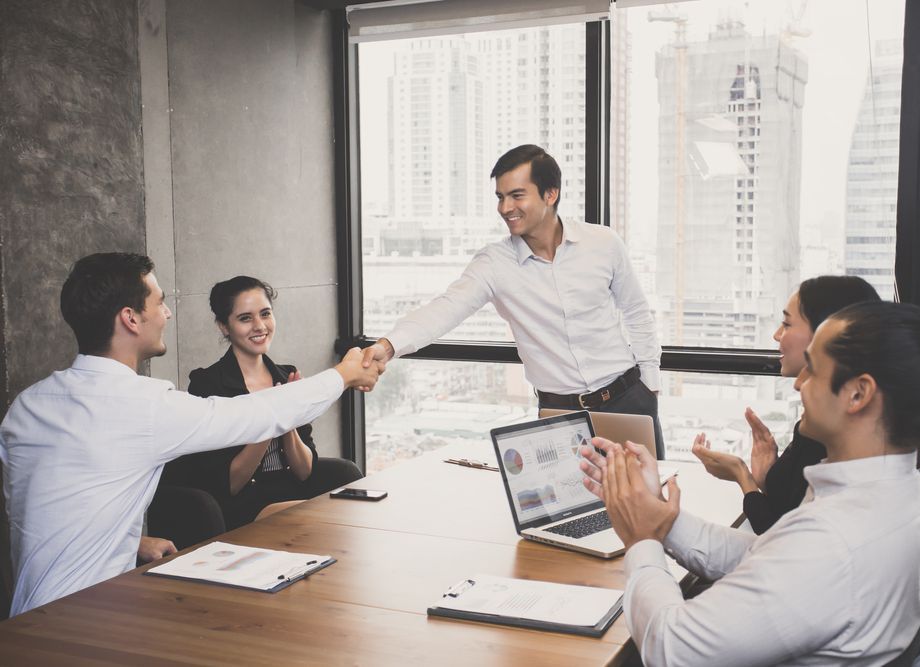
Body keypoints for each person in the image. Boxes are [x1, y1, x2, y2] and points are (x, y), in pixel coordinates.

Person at [580, 301, 920, 665]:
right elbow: (764, 556)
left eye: (813, 370)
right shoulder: (900, 495)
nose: (799, 383)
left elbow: (670, 648)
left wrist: (640, 539)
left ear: (858, 394)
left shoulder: (834, 541)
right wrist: (659, 516)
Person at [0, 253, 380, 616]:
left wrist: (132, 541)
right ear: (131, 319)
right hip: (94, 617)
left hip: (26, 621)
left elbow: (46, 511)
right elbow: (259, 413)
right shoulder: (146, 407)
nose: (166, 312)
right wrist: (345, 374)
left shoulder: (29, 405)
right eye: (160, 303)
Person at [362, 144, 665, 456]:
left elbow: (637, 312)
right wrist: (387, 346)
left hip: (628, 401)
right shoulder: (494, 264)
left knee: (647, 502)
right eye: (500, 197)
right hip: (559, 417)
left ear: (551, 194)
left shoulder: (603, 243)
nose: (505, 207)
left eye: (517, 195)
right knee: (566, 505)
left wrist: (650, 388)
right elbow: (444, 310)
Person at [160, 276, 362, 529]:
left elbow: (304, 472)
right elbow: (231, 483)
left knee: (352, 508)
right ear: (224, 326)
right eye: (245, 318)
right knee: (326, 518)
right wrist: (271, 415)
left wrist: (288, 415)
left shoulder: (286, 375)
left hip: (293, 493)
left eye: (265, 314)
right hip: (243, 505)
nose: (259, 325)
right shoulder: (208, 383)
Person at [691, 275, 880, 533]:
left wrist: (741, 475)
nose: (776, 335)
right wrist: (768, 475)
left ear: (827, 334)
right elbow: (793, 506)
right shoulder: (829, 419)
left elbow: (778, 534)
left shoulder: (835, 434)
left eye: (787, 324)